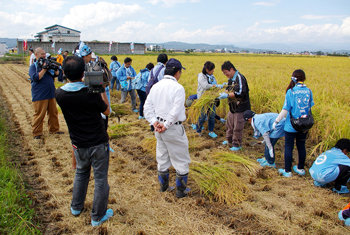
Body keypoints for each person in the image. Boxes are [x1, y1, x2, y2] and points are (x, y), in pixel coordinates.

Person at [55, 55, 113, 226]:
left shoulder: (59, 93)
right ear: (83, 73)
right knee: (100, 179)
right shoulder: (91, 93)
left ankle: (76, 207)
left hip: (78, 144)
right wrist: (100, 88)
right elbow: (107, 111)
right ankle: (97, 216)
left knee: (81, 173)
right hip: (97, 143)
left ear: (64, 72)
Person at [144, 58, 191, 198]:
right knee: (181, 160)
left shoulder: (156, 86)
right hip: (173, 129)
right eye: (180, 72)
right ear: (177, 72)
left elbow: (147, 107)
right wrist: (165, 125)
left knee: (162, 158)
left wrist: (155, 122)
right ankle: (180, 192)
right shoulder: (178, 88)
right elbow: (175, 111)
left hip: (159, 129)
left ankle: (163, 188)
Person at [273, 69, 314, 177]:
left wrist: (276, 121)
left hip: (291, 125)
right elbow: (309, 107)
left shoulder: (291, 91)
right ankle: (300, 168)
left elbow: (285, 109)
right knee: (301, 146)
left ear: (293, 78)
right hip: (304, 125)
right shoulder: (309, 91)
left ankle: (288, 171)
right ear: (304, 79)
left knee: (288, 147)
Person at [29, 47, 63, 139]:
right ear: (36, 55)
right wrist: (44, 69)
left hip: (51, 92)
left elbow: (56, 74)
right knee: (39, 114)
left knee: (53, 112)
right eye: (42, 54)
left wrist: (55, 69)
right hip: (40, 94)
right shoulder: (34, 66)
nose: (44, 56)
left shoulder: (48, 63)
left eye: (44, 54)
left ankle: (54, 129)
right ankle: (37, 132)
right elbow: (35, 78)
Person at [218, 61, 251, 151]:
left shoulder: (239, 77)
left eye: (226, 72)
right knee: (229, 124)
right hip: (233, 107)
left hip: (241, 107)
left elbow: (240, 93)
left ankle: (237, 145)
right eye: (224, 73)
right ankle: (228, 140)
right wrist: (223, 93)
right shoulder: (231, 78)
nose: (225, 75)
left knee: (237, 127)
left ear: (231, 69)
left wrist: (227, 95)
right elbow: (228, 88)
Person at [195, 61, 224, 138]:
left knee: (211, 116)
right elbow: (206, 86)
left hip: (211, 99)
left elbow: (215, 84)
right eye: (212, 70)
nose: (213, 71)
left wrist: (219, 87)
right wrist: (216, 86)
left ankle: (211, 131)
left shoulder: (212, 76)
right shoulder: (201, 76)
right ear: (207, 69)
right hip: (203, 100)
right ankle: (198, 131)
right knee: (202, 116)